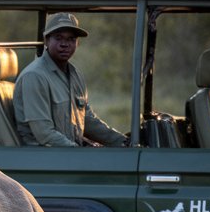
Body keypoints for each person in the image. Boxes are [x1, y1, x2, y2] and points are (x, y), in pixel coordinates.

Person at [13, 12, 127, 147]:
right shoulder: (35, 76)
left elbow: (87, 120)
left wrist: (123, 141)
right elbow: (45, 134)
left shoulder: (74, 75)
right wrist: (79, 152)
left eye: (71, 39)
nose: (64, 44)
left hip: (67, 154)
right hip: (44, 159)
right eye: (58, 38)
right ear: (47, 40)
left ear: (77, 43)